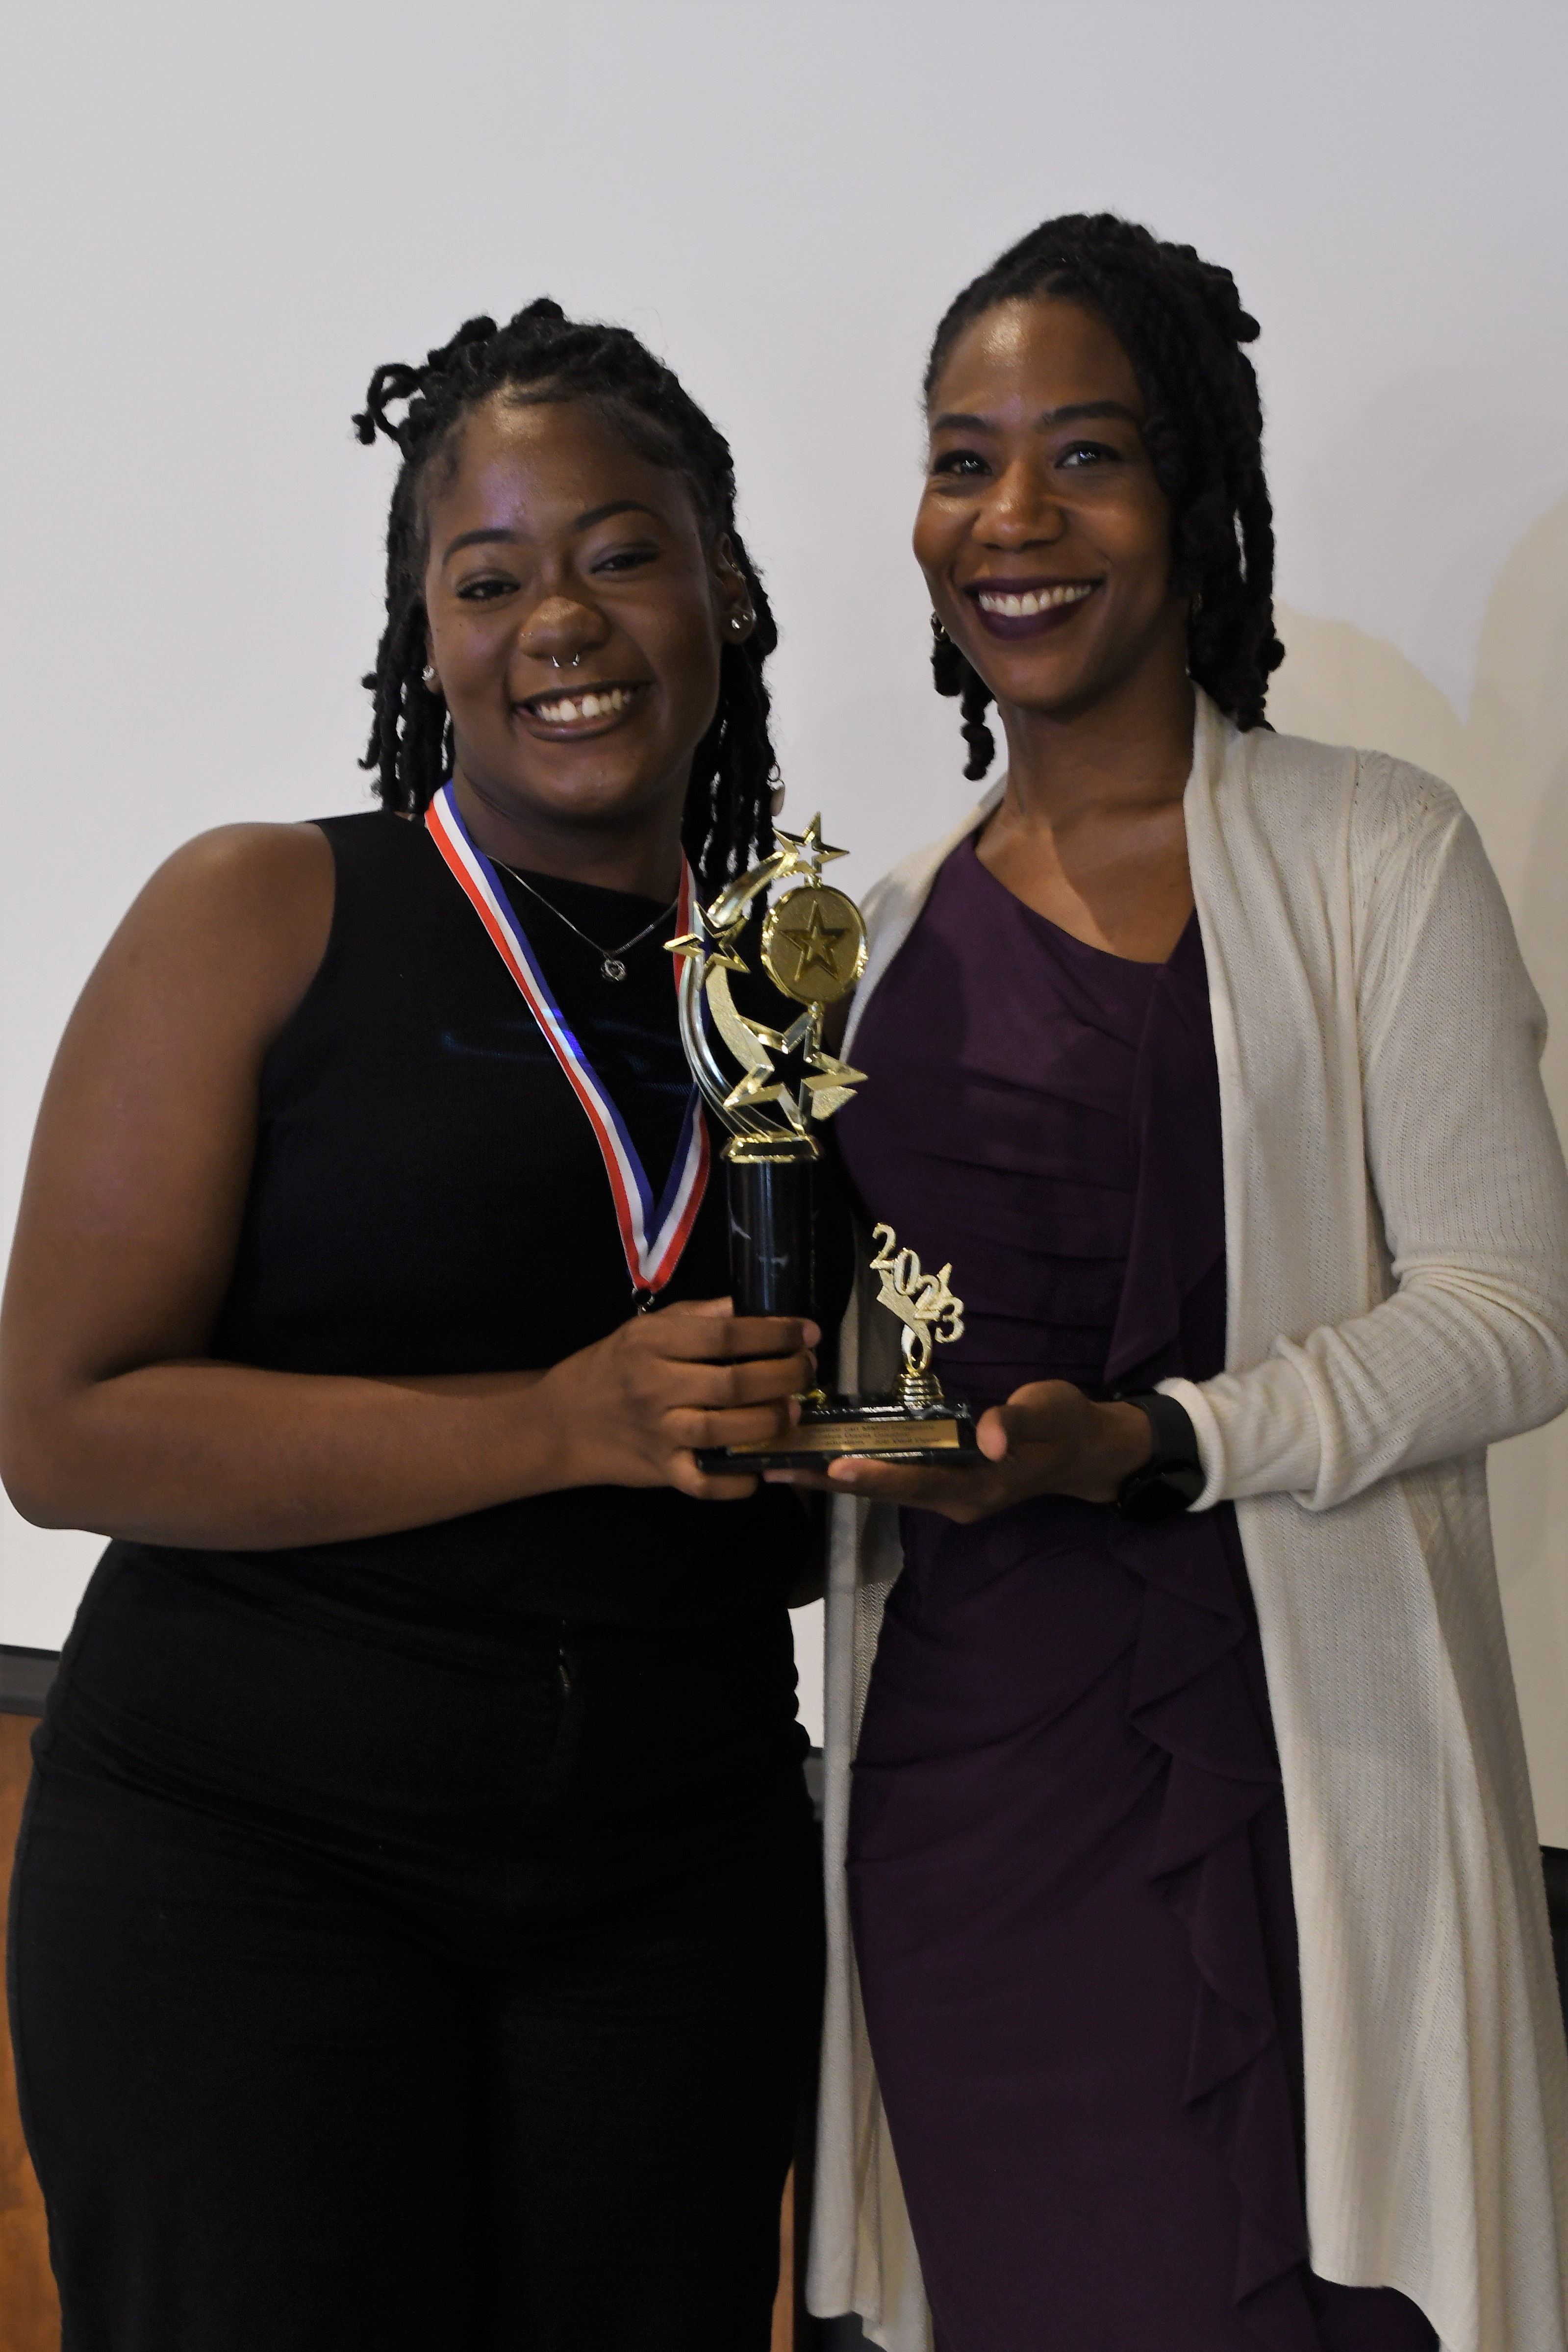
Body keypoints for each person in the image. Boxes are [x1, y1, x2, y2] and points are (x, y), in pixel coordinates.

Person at [0, 300, 831, 2352]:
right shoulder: (263, 906)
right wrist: (551, 1423)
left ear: (722, 580)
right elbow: (64, 1427)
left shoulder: (796, 992)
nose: (561, 616)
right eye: (490, 578)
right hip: (250, 1874)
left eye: (622, 550)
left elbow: (806, 1446)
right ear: (428, 640)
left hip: (673, 1882)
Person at [783, 217, 1568, 2352]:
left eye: (1083, 455)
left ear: (1196, 500)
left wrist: (1162, 1443)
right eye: (961, 458)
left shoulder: (1372, 854)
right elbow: (871, 1354)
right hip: (959, 1796)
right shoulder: (864, 935)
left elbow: (1513, 1306)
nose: (1009, 519)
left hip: (1283, 1776)